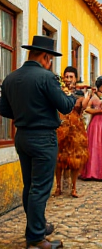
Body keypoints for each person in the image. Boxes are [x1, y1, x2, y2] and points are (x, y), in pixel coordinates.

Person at [0, 35, 76, 249]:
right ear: (45, 57)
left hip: (22, 136)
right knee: (41, 188)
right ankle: (35, 239)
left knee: (30, 186)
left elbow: (4, 109)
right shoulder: (47, 77)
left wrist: (26, 111)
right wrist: (75, 97)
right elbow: (64, 106)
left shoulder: (10, 78)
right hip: (43, 138)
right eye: (50, 59)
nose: (49, 63)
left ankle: (38, 226)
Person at [54, 66, 90, 198]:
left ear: (75, 79)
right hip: (61, 128)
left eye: (71, 77)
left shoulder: (79, 94)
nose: (68, 79)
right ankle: (58, 187)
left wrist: (87, 96)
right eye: (66, 76)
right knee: (59, 158)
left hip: (76, 130)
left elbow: (83, 108)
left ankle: (74, 188)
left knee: (76, 158)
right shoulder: (58, 91)